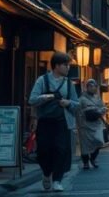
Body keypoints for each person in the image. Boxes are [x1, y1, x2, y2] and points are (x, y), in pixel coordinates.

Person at [29, 51, 80, 193]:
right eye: (65, 65)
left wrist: (67, 102)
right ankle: (46, 174)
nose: (68, 68)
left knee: (61, 150)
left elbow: (77, 104)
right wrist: (49, 96)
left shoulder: (69, 84)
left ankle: (57, 180)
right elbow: (32, 99)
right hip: (45, 122)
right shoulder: (42, 80)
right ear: (56, 66)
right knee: (44, 151)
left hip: (62, 122)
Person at [77, 79, 107, 170]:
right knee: (85, 145)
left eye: (95, 86)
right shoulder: (81, 99)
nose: (94, 88)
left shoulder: (97, 98)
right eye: (92, 86)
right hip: (85, 124)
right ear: (88, 87)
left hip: (96, 123)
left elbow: (103, 107)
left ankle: (93, 158)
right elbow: (77, 111)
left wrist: (101, 110)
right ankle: (86, 162)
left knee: (99, 141)